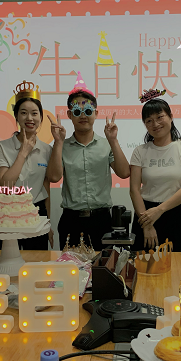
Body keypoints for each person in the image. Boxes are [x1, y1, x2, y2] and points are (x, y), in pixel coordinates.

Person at [46, 72, 130, 250]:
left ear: (96, 113)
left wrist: (113, 140)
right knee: (70, 267)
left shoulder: (106, 144)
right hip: (71, 220)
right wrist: (58, 142)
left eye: (88, 111)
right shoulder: (62, 146)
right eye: (77, 111)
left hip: (102, 220)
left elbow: (124, 173)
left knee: (102, 266)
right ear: (70, 115)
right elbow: (53, 177)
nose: (83, 115)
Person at [129, 90, 181, 252]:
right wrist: (147, 225)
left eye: (160, 117)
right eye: (149, 120)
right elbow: (134, 190)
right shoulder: (140, 151)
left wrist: (159, 210)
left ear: (170, 117)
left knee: (177, 264)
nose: (155, 124)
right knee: (142, 264)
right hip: (145, 214)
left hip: (175, 213)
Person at [0, 81, 53, 249]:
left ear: (41, 117)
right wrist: (23, 153)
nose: (29, 118)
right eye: (24, 113)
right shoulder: (1, 147)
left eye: (34, 113)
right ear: (16, 116)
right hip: (7, 213)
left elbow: (46, 188)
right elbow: (6, 183)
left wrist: (48, 223)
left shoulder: (47, 149)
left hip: (36, 212)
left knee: (37, 261)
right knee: (7, 260)